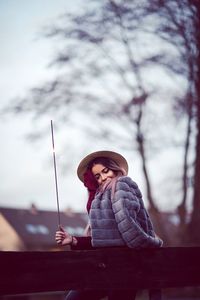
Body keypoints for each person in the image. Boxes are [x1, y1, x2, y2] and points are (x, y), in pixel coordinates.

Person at [55, 150, 163, 300]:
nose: (103, 178)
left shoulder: (120, 185)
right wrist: (73, 240)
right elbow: (106, 239)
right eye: (97, 176)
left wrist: (152, 244)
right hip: (106, 266)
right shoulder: (101, 198)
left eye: (106, 171)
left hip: (125, 267)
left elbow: (130, 230)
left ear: (114, 168)